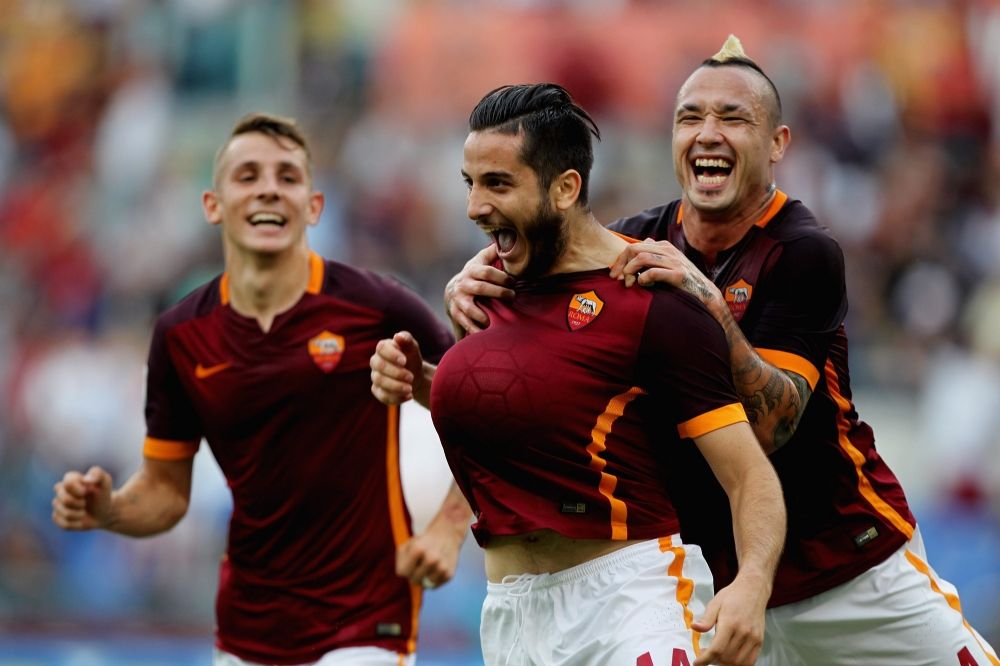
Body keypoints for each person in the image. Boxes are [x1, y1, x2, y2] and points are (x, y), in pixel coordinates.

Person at [445, 37, 1000, 666]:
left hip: (847, 566)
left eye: (732, 118)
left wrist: (708, 303)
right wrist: (474, 283)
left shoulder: (803, 251)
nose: (707, 133)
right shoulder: (631, 246)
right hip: (716, 588)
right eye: (690, 118)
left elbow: (773, 426)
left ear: (777, 144)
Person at [370, 82, 786, 666]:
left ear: (565, 188)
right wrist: (419, 381)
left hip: (628, 599)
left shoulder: (651, 300)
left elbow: (749, 474)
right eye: (471, 184)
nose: (474, 207)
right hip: (510, 614)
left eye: (498, 184)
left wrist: (752, 584)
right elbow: (524, 413)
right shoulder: (485, 290)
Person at [51, 112, 472, 666]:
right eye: (248, 175)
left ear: (314, 206)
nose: (268, 188)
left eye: (287, 176)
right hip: (247, 632)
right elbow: (165, 492)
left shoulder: (377, 306)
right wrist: (109, 509)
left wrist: (447, 528)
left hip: (365, 623)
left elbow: (486, 414)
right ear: (213, 204)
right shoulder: (181, 335)